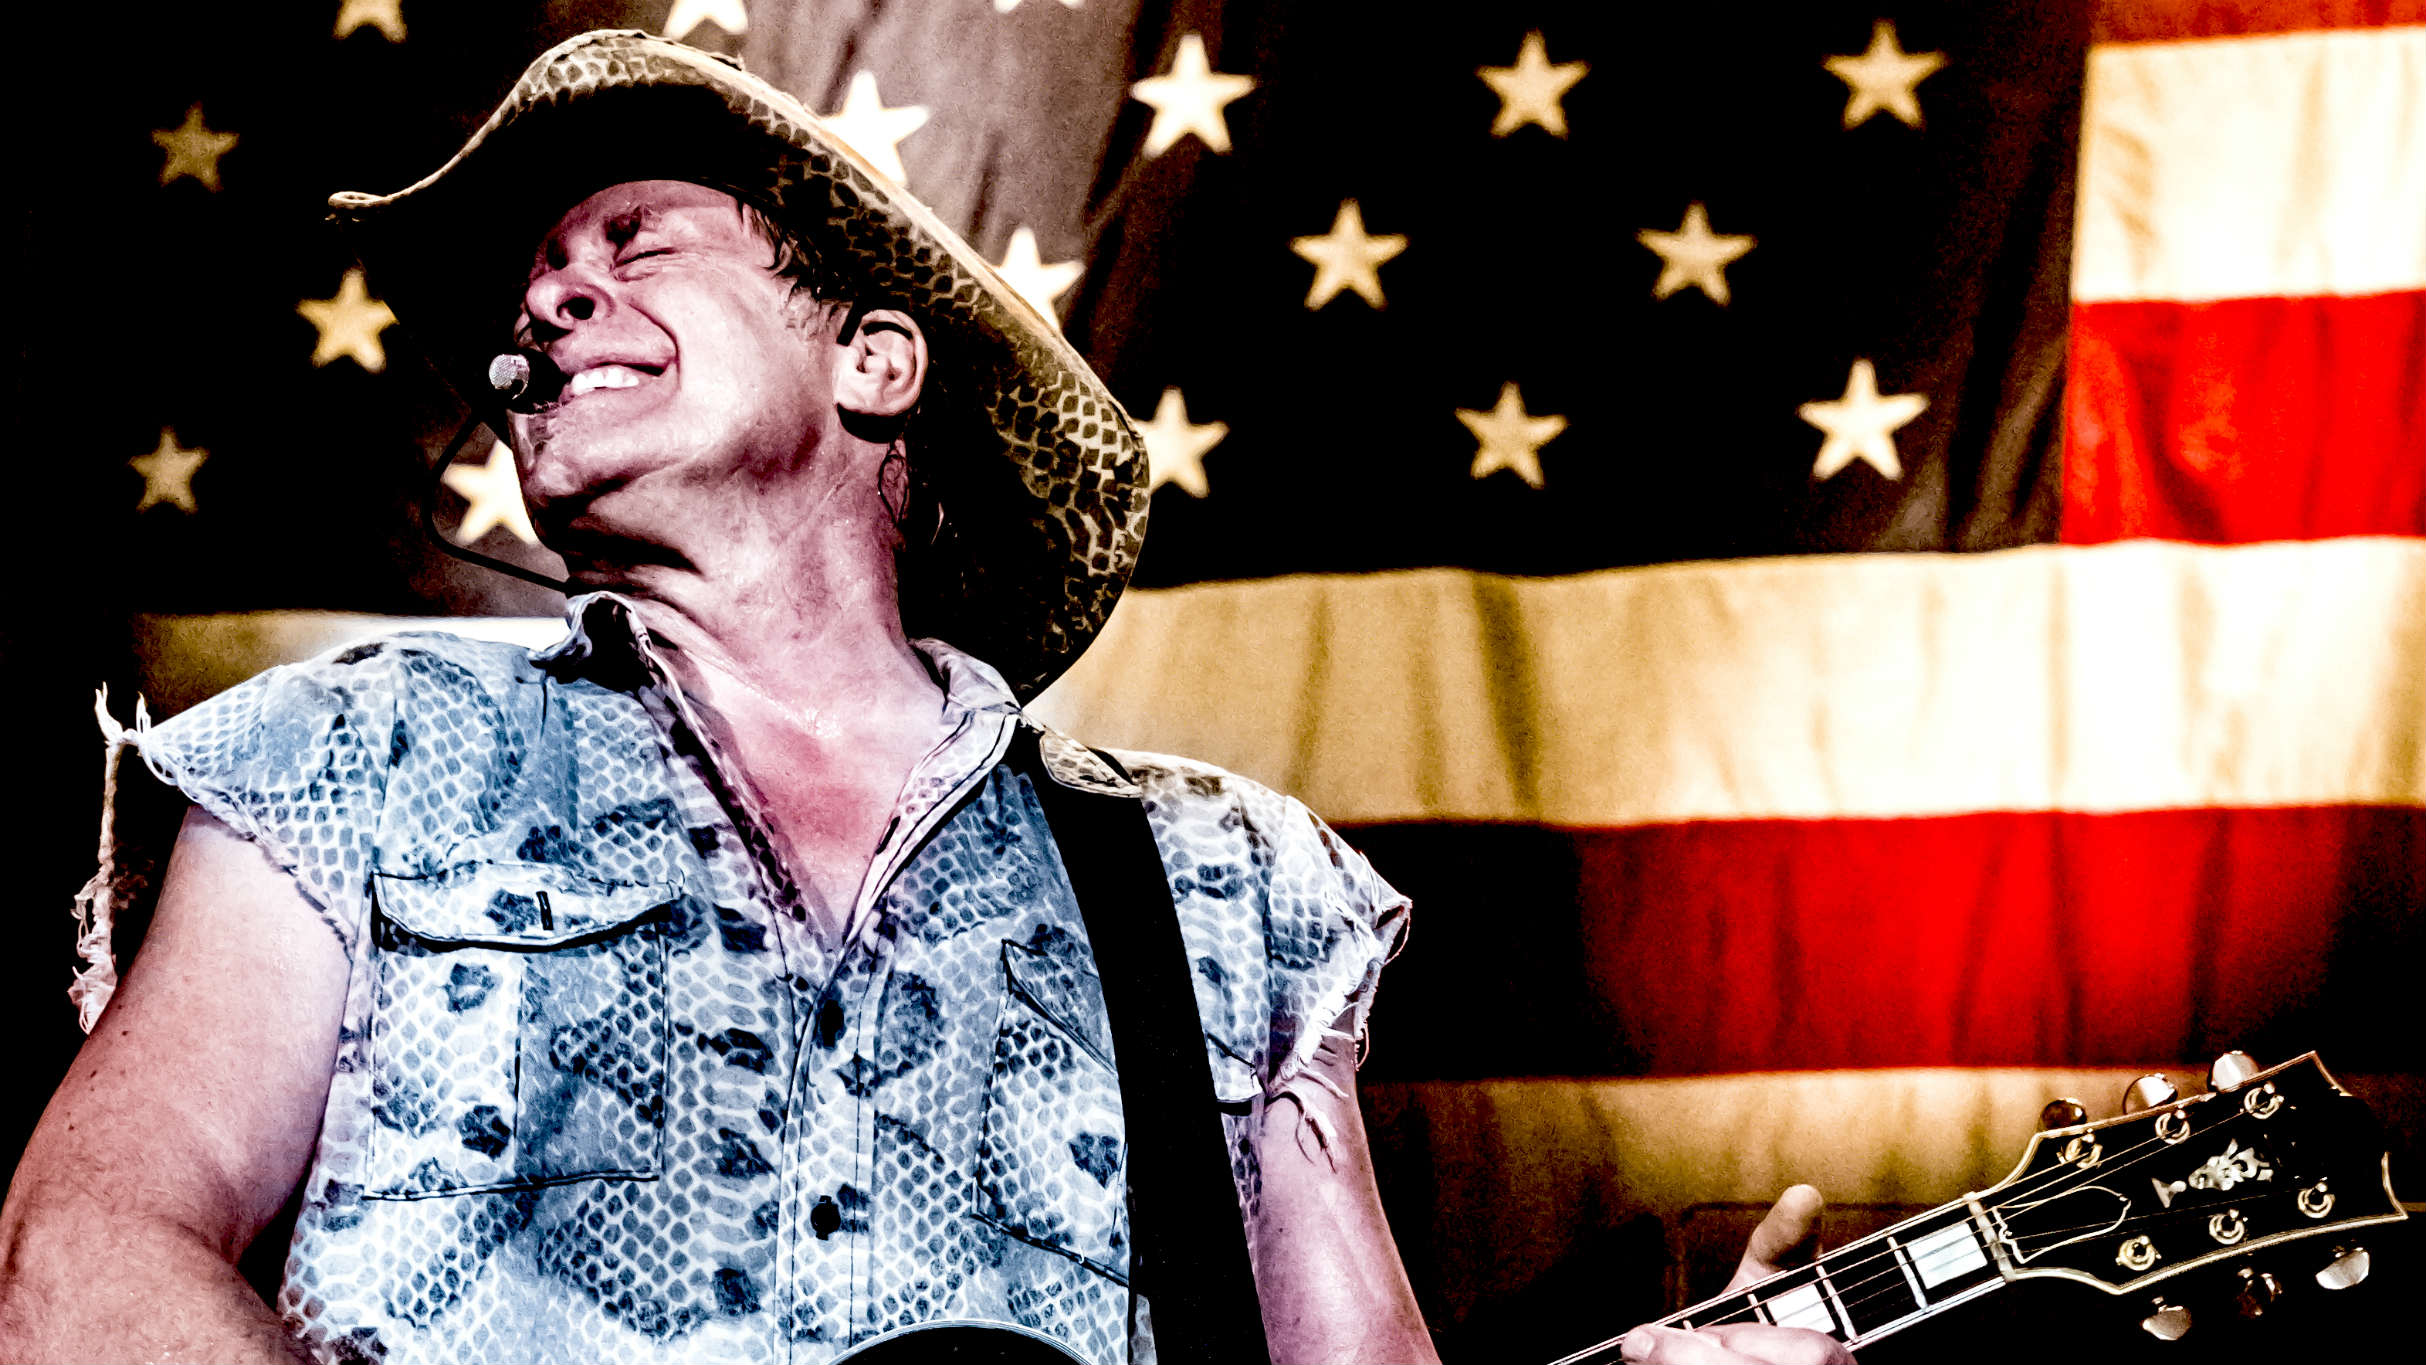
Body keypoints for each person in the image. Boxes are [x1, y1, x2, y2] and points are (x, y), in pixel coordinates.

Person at [0, 31, 1844, 1365]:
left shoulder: (1219, 885)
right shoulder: (364, 747)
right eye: (535, 288)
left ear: (875, 361)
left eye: (631, 245)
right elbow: (88, 1253)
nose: (545, 308)